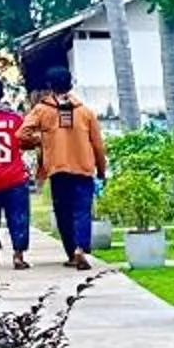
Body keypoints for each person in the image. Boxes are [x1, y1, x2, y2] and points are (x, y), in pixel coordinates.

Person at [20, 65, 105, 271]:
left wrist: (42, 139)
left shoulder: (42, 110)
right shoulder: (85, 112)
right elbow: (98, 145)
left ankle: (71, 253)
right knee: (82, 211)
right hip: (84, 169)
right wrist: (101, 171)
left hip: (58, 170)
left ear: (49, 86)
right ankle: (80, 249)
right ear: (71, 84)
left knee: (64, 213)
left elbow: (22, 135)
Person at [0, 68, 30, 267]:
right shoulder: (15, 119)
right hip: (13, 177)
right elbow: (25, 142)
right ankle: (18, 254)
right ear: (2, 94)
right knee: (18, 216)